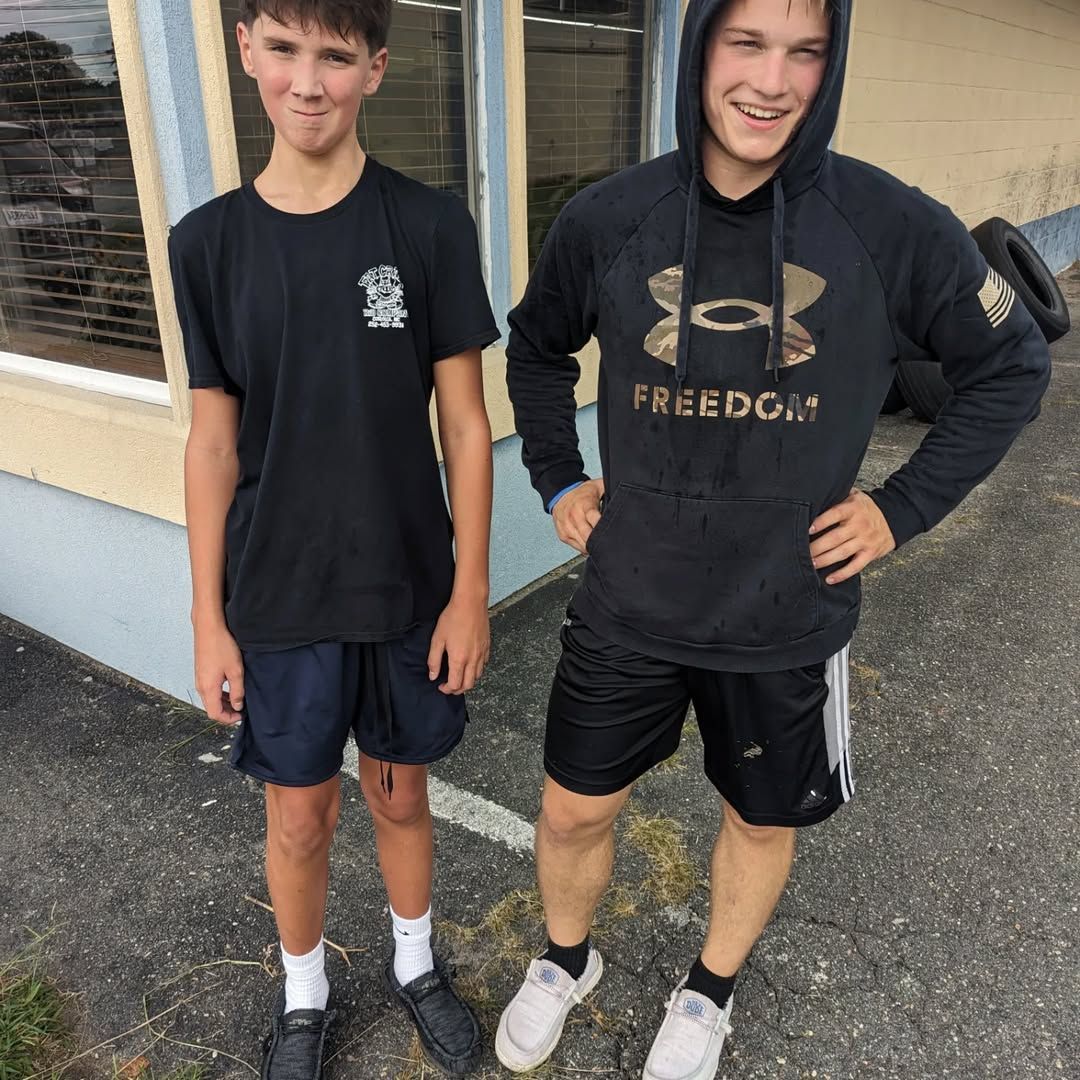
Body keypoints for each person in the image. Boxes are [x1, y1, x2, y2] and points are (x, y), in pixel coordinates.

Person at [498, 0, 1051, 1076]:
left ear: (832, 66)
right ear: (700, 46)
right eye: (746, 42)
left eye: (807, 51)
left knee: (758, 820)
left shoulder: (892, 226)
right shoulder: (611, 218)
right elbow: (535, 348)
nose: (772, 80)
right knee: (571, 813)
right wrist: (558, 476)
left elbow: (1013, 364)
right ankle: (567, 960)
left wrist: (901, 508)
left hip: (786, 614)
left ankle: (707, 995)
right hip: (632, 597)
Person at [168, 2, 499, 1075]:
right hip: (278, 590)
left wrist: (469, 592)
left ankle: (415, 965)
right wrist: (207, 617)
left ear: (375, 69)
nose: (307, 82)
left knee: (399, 794)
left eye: (335, 57)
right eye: (286, 49)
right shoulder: (208, 245)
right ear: (247, 50)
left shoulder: (429, 226)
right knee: (299, 816)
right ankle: (304, 994)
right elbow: (212, 446)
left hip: (407, 583)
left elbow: (464, 426)